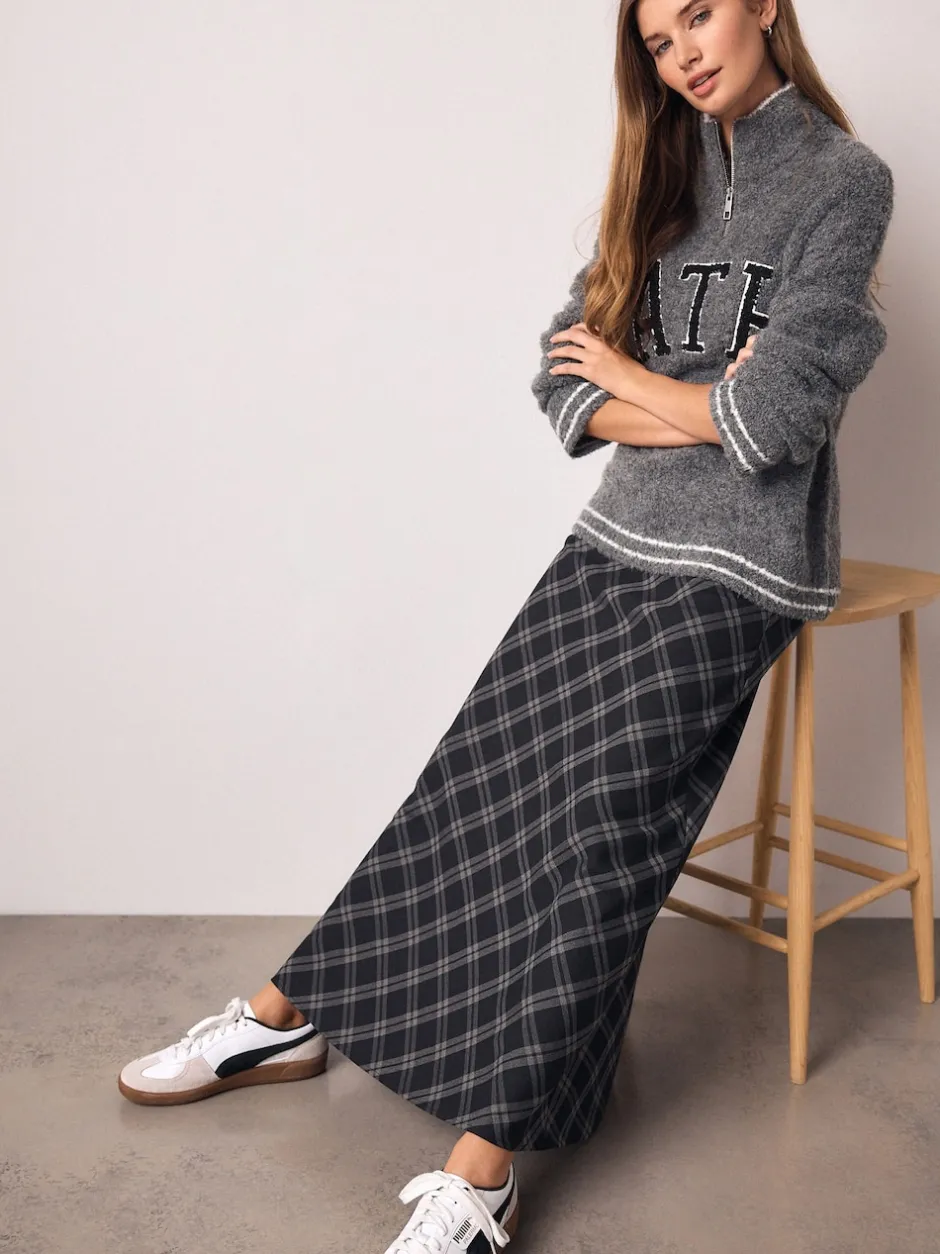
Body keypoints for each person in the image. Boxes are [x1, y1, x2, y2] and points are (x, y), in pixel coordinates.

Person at [116, 2, 895, 1250]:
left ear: (762, 3)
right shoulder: (657, 181)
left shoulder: (845, 181)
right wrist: (690, 397)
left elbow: (778, 423)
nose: (685, 53)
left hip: (742, 562)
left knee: (603, 827)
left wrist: (637, 378)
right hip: (615, 537)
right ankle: (285, 1015)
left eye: (700, 14)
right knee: (474, 780)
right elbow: (561, 385)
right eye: (658, 42)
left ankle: (481, 1173)